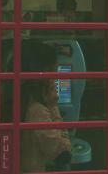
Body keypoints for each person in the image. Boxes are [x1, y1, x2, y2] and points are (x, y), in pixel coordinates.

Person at [20, 42, 71, 172]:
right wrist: (53, 107)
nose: (55, 80)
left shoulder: (23, 98)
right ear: (45, 75)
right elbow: (63, 155)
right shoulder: (37, 111)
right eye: (54, 73)